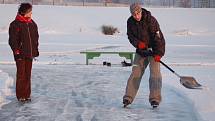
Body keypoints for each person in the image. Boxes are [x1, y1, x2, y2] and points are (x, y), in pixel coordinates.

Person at [123, 3, 165, 108]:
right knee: (135, 73)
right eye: (134, 14)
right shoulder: (130, 22)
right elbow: (130, 36)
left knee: (155, 74)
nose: (136, 16)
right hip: (141, 51)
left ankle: (155, 99)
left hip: (154, 50)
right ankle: (128, 97)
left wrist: (158, 53)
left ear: (141, 11)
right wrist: (138, 44)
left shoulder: (150, 20)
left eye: (138, 13)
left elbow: (158, 38)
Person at [9, 3, 39, 102]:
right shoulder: (15, 24)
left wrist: (35, 50)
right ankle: (21, 96)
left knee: (28, 75)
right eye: (30, 11)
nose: (31, 13)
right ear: (24, 12)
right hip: (20, 54)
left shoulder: (32, 23)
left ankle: (27, 95)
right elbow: (13, 40)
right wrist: (16, 52)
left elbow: (35, 38)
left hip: (29, 54)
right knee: (21, 75)